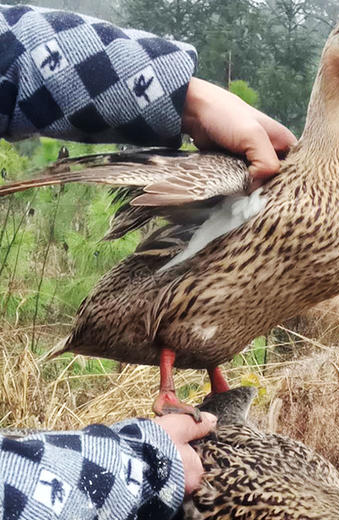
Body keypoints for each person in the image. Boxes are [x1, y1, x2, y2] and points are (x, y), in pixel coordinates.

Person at [0, 4, 297, 519]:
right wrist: (128, 469)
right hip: (143, 310)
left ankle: (213, 375)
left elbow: (12, 52)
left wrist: (182, 94)